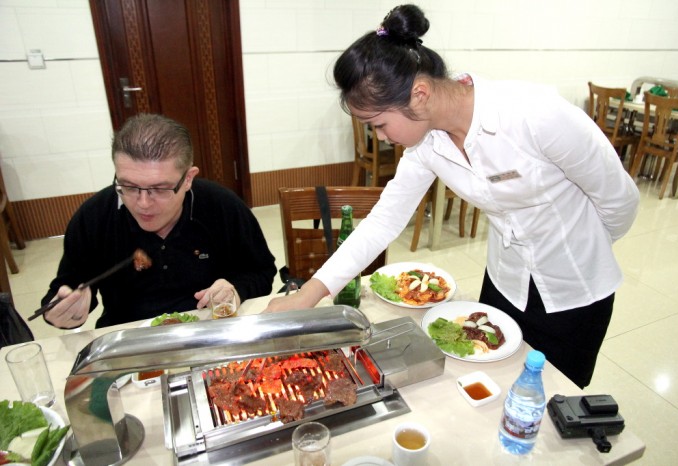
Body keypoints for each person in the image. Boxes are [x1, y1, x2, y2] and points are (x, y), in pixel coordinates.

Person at [265, 4, 639, 388]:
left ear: (419, 94)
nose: (379, 137)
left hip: (575, 293)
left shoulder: (535, 115)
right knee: (493, 383)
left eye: (378, 124)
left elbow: (620, 201)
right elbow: (382, 222)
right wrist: (308, 294)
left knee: (551, 407)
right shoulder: (427, 145)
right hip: (506, 283)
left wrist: (581, 247)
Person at [42, 113, 276, 329]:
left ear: (188, 179)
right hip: (128, 334)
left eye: (160, 188)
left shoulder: (222, 206)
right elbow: (68, 286)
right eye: (129, 186)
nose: (143, 203)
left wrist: (236, 290)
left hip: (209, 326)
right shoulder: (94, 216)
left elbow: (261, 271)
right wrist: (65, 310)